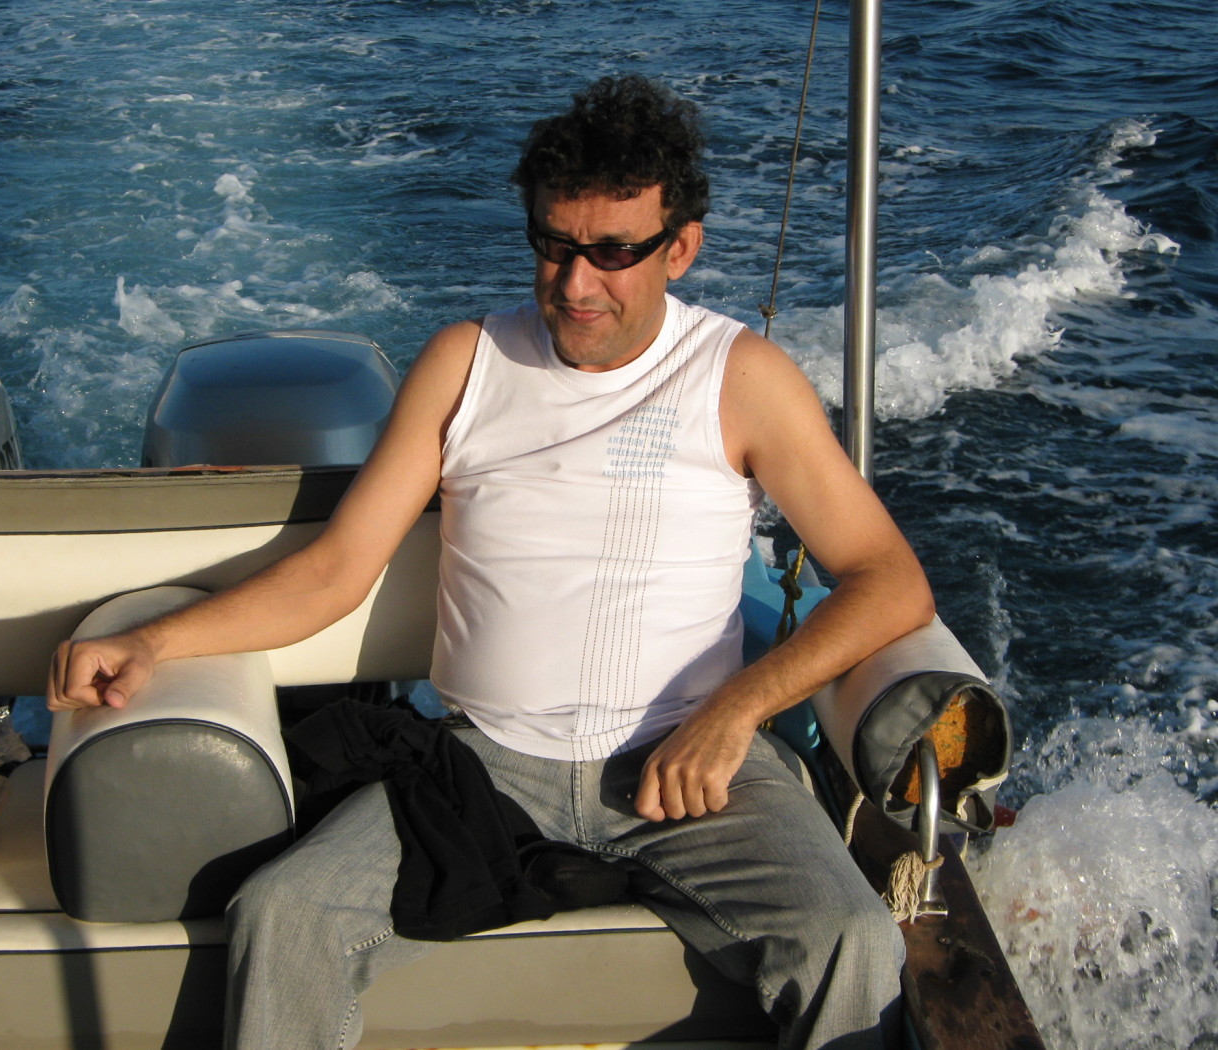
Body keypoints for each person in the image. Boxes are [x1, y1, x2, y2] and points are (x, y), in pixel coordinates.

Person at [49, 74, 935, 1050]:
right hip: (483, 768)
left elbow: (887, 579)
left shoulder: (742, 379)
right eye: (554, 245)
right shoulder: (465, 363)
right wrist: (154, 642)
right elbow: (336, 571)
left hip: (690, 763)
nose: (575, 284)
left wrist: (733, 715)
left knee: (853, 938)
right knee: (282, 915)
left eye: (613, 252)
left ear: (680, 248)